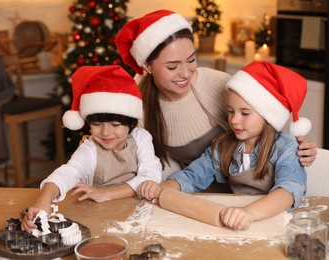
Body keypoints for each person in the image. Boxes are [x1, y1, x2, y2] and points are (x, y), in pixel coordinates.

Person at [114, 9, 317, 180]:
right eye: (172, 66)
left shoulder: (217, 84)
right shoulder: (138, 102)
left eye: (191, 59)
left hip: (243, 192)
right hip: (192, 190)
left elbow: (267, 126)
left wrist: (299, 149)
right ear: (148, 66)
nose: (185, 73)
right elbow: (130, 156)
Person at [138, 61, 310, 230]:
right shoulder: (224, 145)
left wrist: (248, 213)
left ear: (268, 116)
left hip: (276, 222)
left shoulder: (286, 148)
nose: (234, 120)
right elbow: (193, 175)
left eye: (244, 113)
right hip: (239, 221)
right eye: (230, 111)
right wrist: (160, 189)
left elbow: (288, 191)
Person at [21, 65, 161, 233]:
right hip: (97, 217)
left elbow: (150, 175)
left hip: (137, 215)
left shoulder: (141, 138)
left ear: (130, 122)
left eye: (115, 125)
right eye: (96, 124)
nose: (105, 132)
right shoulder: (89, 149)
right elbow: (67, 173)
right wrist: (43, 200)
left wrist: (106, 193)